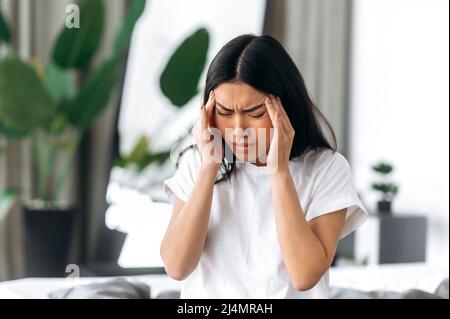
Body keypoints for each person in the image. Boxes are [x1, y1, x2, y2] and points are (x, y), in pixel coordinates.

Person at [161, 34, 368, 298]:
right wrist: (208, 169)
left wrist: (279, 172)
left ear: (285, 106)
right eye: (224, 112)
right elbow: (176, 266)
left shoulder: (326, 169)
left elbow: (305, 275)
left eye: (255, 113)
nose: (238, 130)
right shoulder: (196, 164)